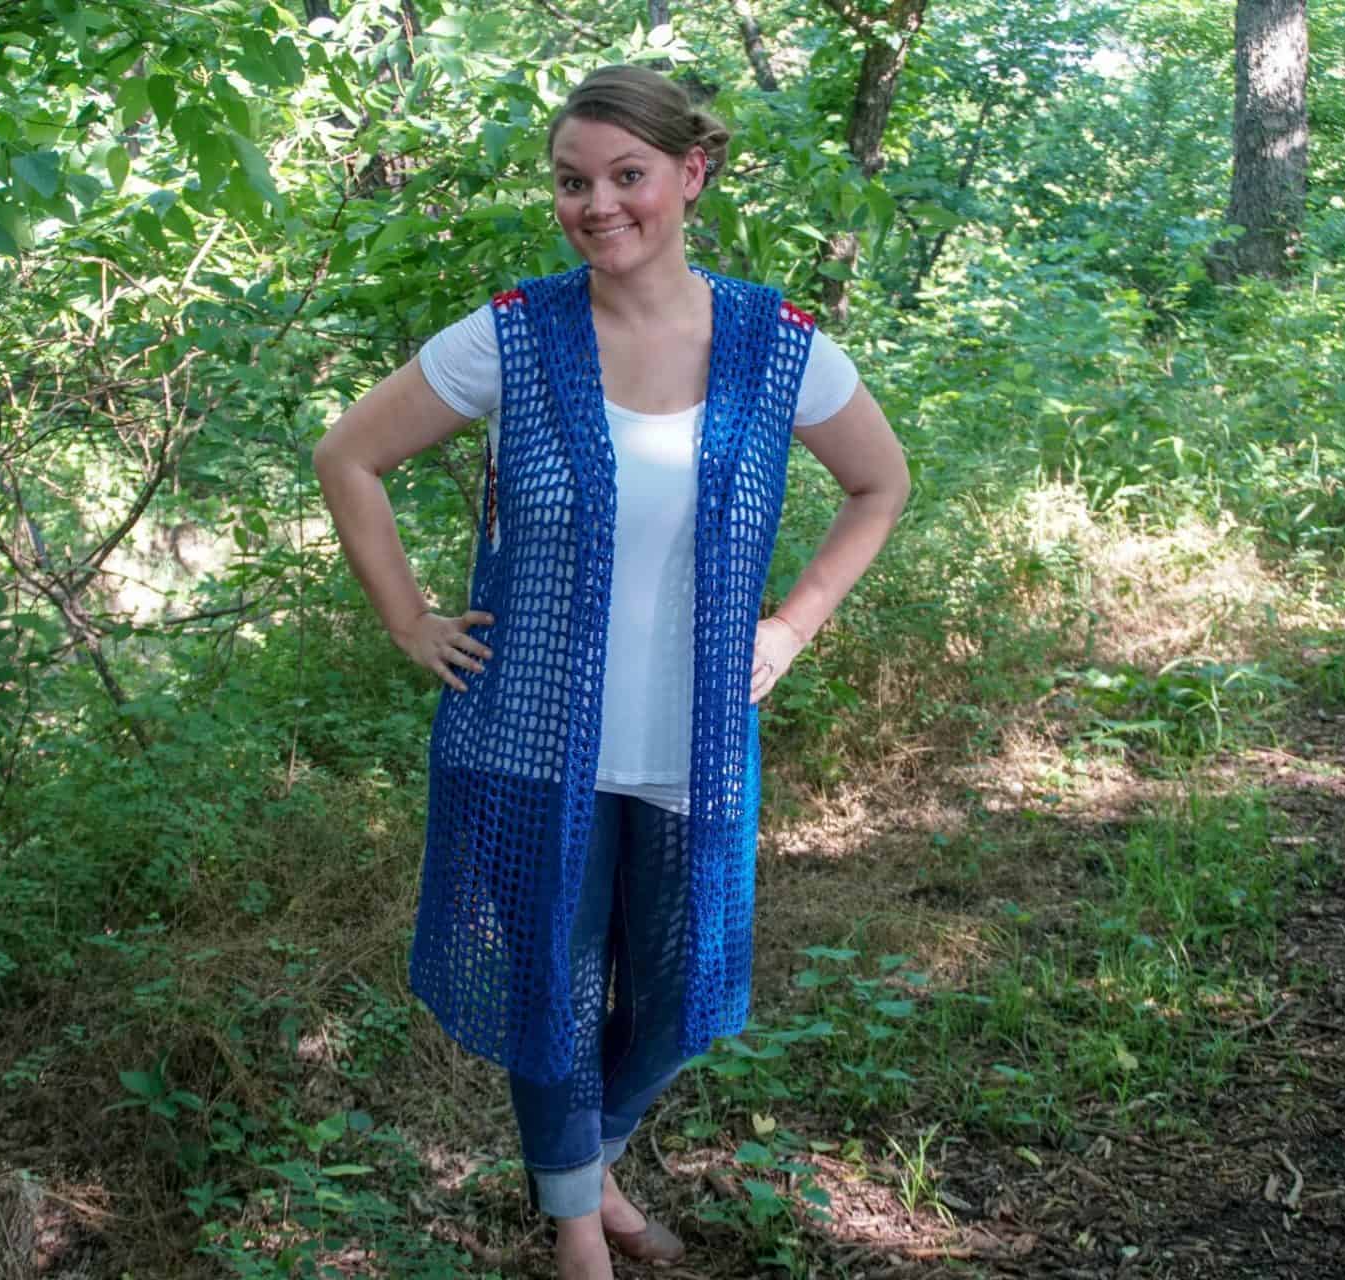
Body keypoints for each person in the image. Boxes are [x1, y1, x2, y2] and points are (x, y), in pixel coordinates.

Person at [313, 64, 910, 1280]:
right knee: (549, 986)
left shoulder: (774, 344)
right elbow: (348, 457)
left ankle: (588, 1156)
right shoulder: (514, 336)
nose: (599, 204)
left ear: (691, 174)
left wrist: (791, 625)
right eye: (573, 183)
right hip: (531, 731)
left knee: (681, 990)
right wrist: (411, 618)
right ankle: (578, 1227)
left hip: (692, 734)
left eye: (626, 175)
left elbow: (879, 483)